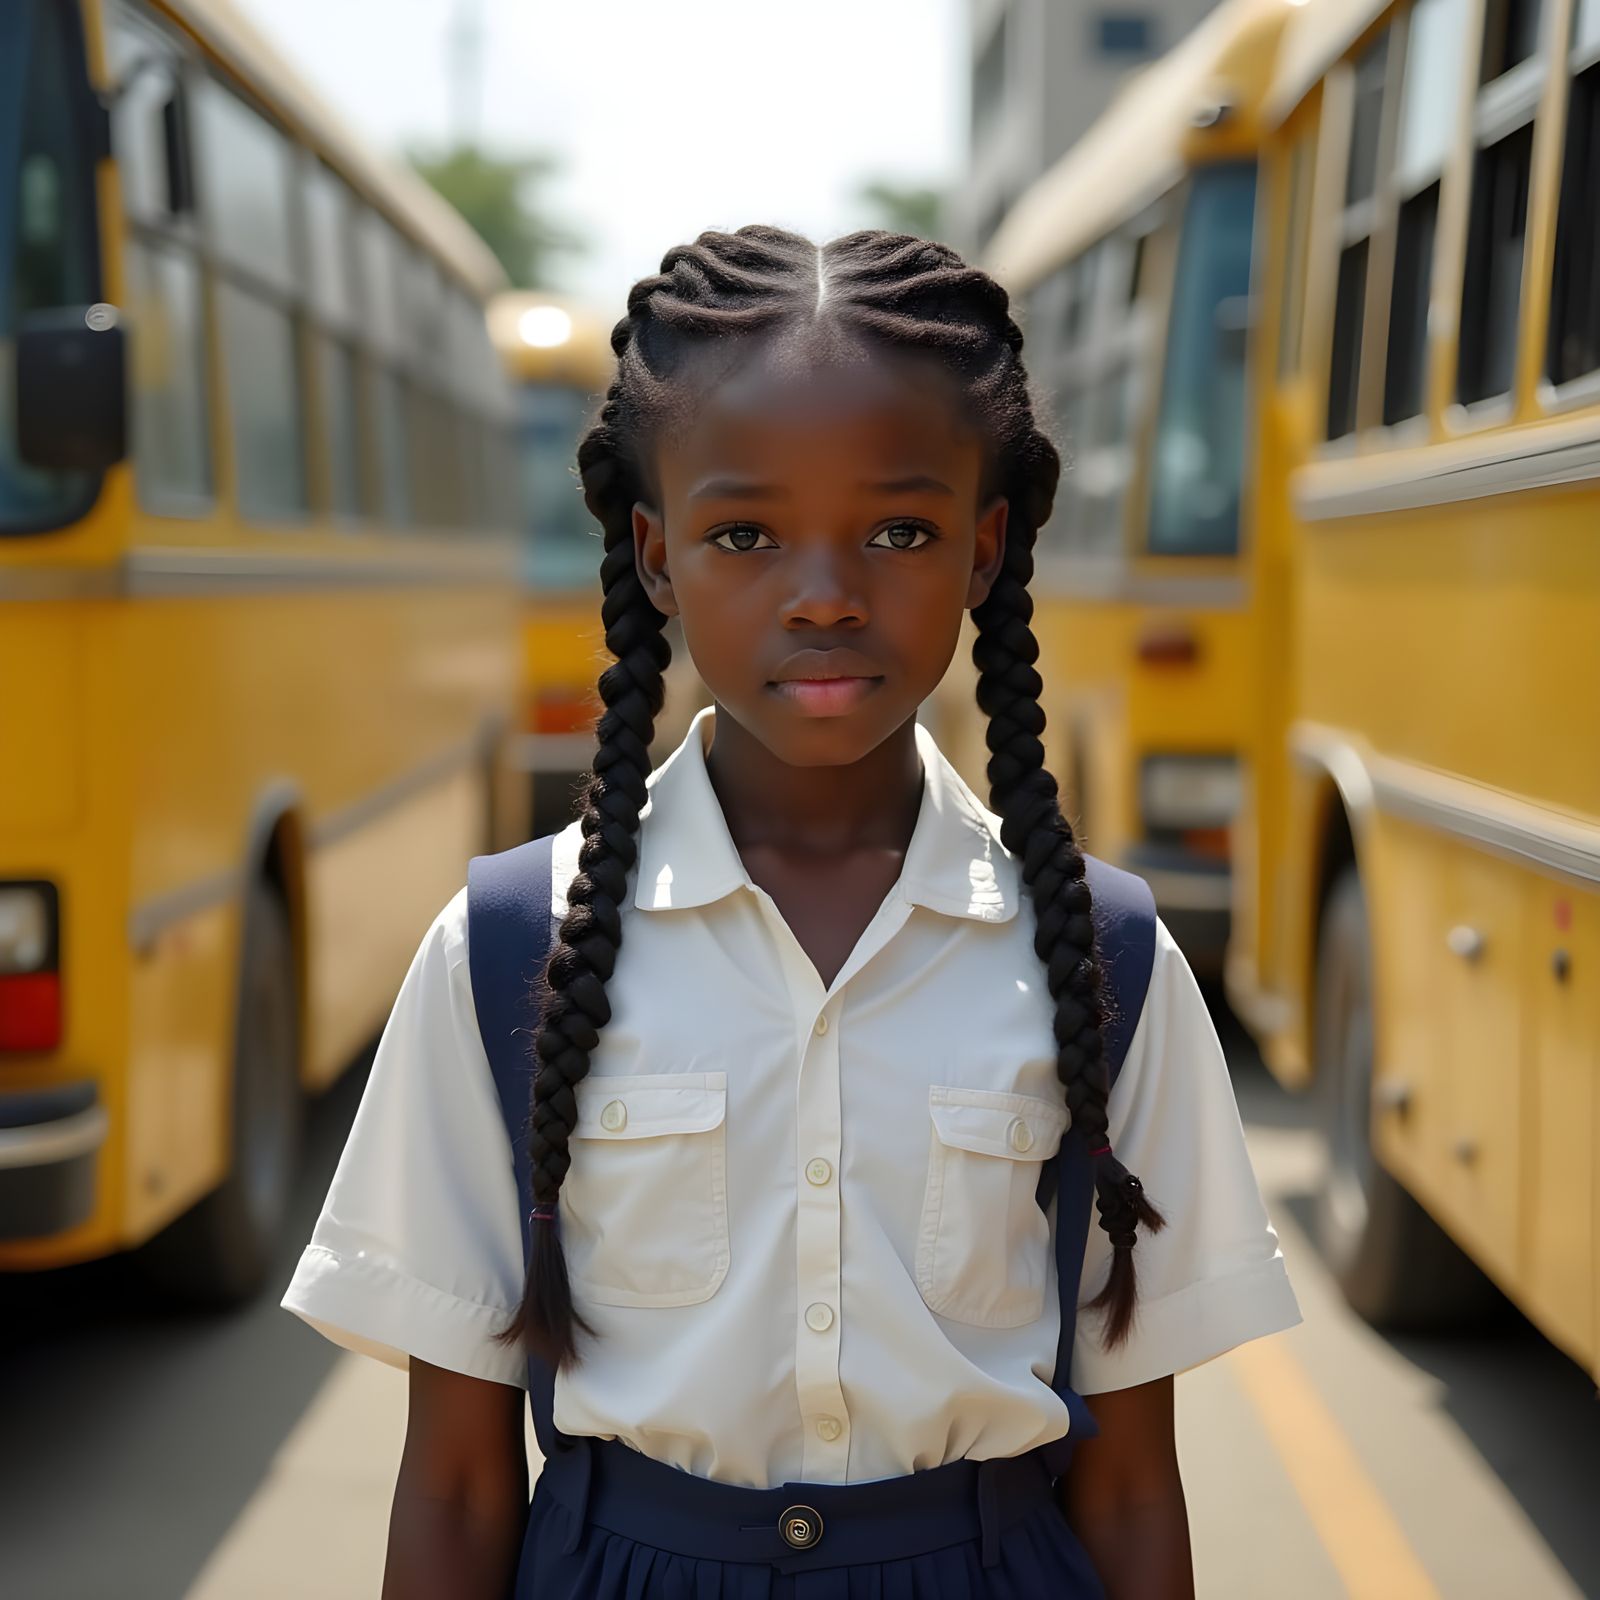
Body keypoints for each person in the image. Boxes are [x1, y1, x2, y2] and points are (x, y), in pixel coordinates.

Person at [282, 225, 1301, 1598]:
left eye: (898, 530)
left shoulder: (1105, 960)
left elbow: (1127, 1489)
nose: (824, 596)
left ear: (986, 549)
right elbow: (459, 1483)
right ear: (655, 554)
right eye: (745, 533)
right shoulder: (507, 949)